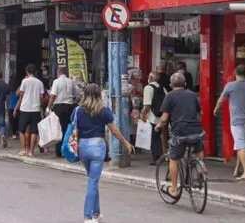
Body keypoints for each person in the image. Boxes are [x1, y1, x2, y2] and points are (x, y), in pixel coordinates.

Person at [76, 83, 134, 222]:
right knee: (93, 181)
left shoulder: (78, 110)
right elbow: (114, 130)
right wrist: (125, 143)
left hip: (83, 145)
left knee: (92, 179)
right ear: (99, 95)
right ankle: (88, 216)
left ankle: (96, 213)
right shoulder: (104, 110)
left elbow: (74, 129)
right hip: (97, 146)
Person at [155, 72, 204, 197]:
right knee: (198, 149)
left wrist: (159, 126)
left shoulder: (170, 96)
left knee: (173, 158)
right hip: (196, 131)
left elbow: (164, 118)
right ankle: (200, 170)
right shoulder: (193, 95)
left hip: (180, 133)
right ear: (185, 84)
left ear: (171, 85)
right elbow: (200, 114)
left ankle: (174, 189)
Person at [214, 65, 245, 180]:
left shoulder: (230, 85)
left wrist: (216, 109)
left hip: (236, 121)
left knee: (241, 145)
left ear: (235, 73)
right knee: (242, 145)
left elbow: (221, 100)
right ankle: (237, 169)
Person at [15, 64, 45, 157]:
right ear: (35, 72)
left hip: (25, 108)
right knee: (34, 131)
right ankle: (31, 152)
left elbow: (19, 94)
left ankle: (23, 149)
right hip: (36, 109)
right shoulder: (40, 82)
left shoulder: (24, 81)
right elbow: (41, 97)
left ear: (27, 71)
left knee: (21, 130)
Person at [49, 66, 79, 157]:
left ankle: (59, 151)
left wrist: (48, 107)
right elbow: (75, 95)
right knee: (68, 129)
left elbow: (52, 96)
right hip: (69, 107)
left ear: (58, 72)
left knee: (58, 129)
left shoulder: (56, 81)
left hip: (59, 107)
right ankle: (67, 149)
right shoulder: (71, 82)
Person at [141, 70, 167, 164]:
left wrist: (143, 114)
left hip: (152, 117)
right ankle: (160, 157)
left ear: (151, 78)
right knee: (158, 137)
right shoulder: (162, 88)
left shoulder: (148, 88)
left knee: (153, 139)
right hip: (161, 117)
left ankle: (157, 158)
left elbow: (147, 105)